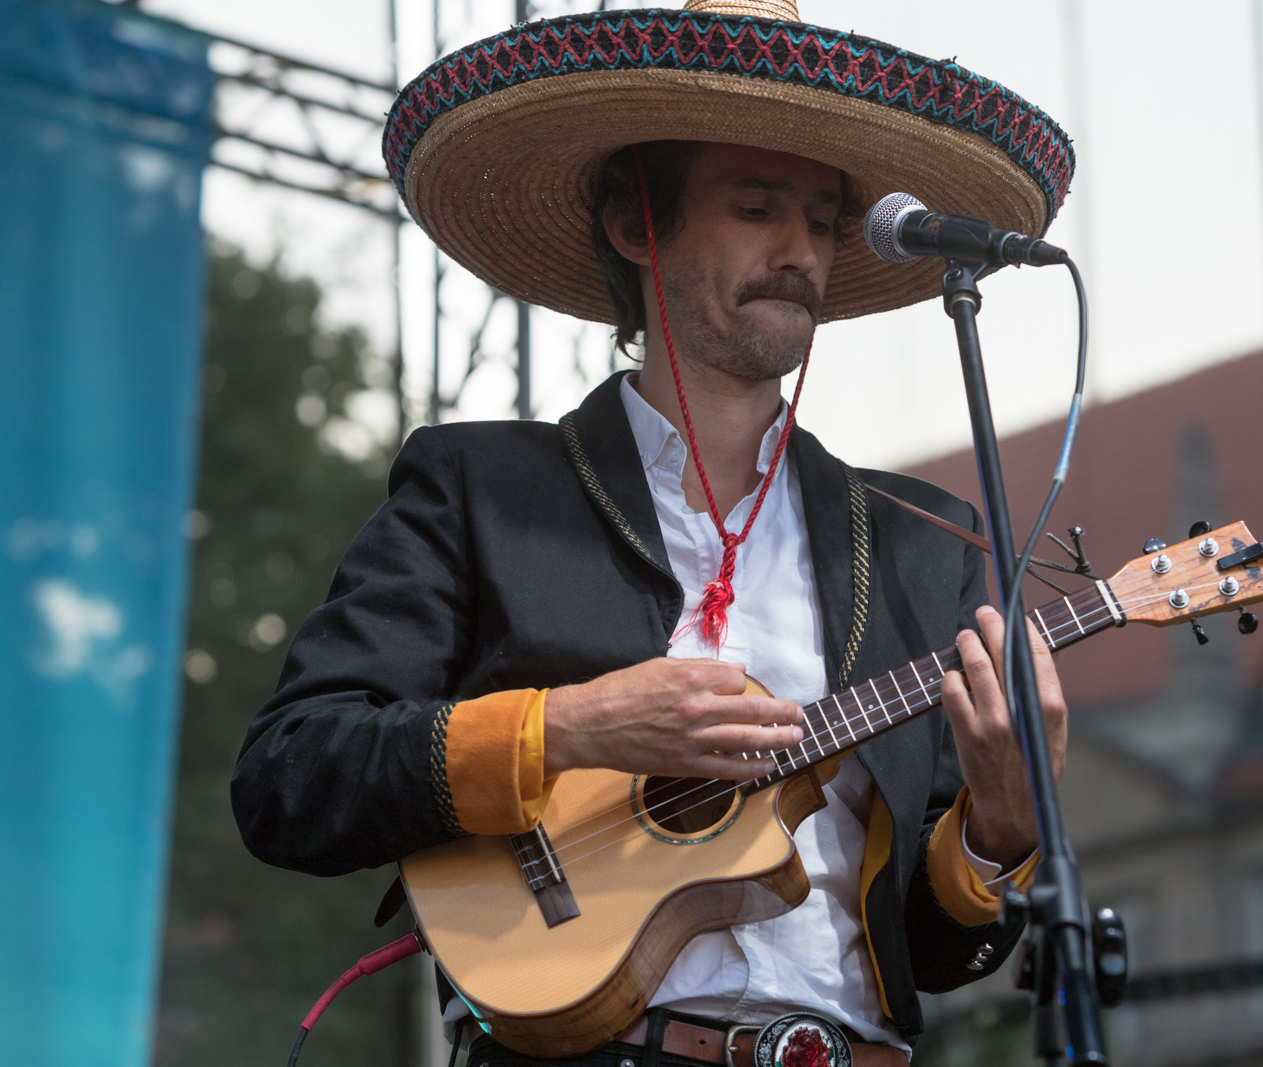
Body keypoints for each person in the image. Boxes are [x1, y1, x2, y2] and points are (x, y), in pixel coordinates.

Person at [233, 3, 1078, 1065]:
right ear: (638, 224)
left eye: (820, 219)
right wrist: (568, 727)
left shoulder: (919, 544)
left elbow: (937, 951)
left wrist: (1000, 835)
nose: (801, 251)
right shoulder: (479, 488)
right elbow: (288, 775)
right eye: (757, 206)